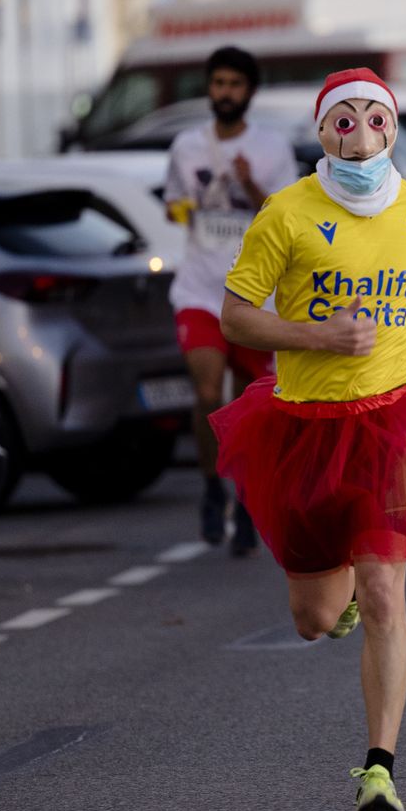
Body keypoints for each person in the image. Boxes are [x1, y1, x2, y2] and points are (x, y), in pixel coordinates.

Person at [213, 68, 406, 811]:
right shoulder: (287, 214)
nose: (360, 133)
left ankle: (379, 772)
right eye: (341, 120)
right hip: (306, 427)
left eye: (374, 118)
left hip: (397, 418)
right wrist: (316, 335)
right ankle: (333, 599)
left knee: (386, 588)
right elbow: (235, 317)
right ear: (321, 134)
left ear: (392, 129)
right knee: (315, 617)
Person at [163, 46, 299, 555]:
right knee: (205, 392)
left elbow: (287, 216)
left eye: (235, 84)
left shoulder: (272, 147)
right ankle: (210, 486)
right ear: (209, 87)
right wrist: (184, 207)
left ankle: (245, 499)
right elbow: (174, 207)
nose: (225, 93)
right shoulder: (186, 147)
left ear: (250, 91)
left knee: (248, 408)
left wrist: (249, 183)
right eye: (218, 83)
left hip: (253, 294)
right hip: (198, 288)